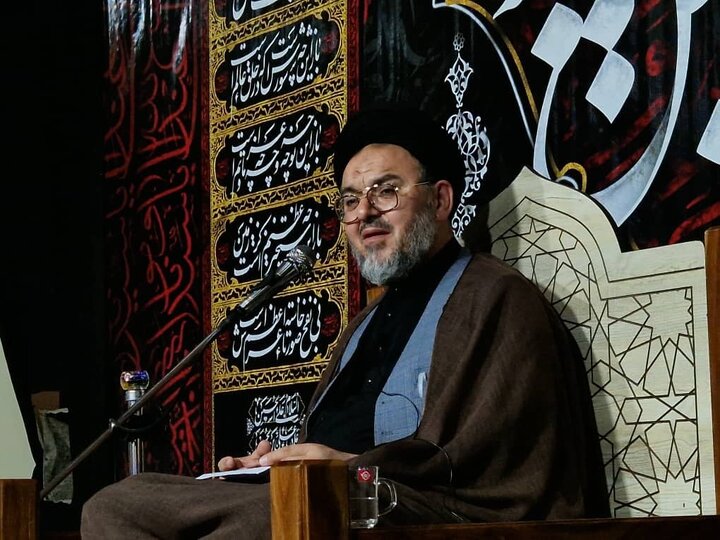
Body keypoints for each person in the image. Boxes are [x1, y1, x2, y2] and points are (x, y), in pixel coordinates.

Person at [81, 106, 610, 538]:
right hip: (337, 493)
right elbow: (326, 440)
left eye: (386, 191)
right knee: (115, 505)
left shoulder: (496, 298)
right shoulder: (364, 324)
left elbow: (493, 462)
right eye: (351, 200)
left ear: (441, 199)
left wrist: (349, 465)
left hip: (426, 509)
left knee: (265, 521)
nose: (364, 214)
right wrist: (273, 464)